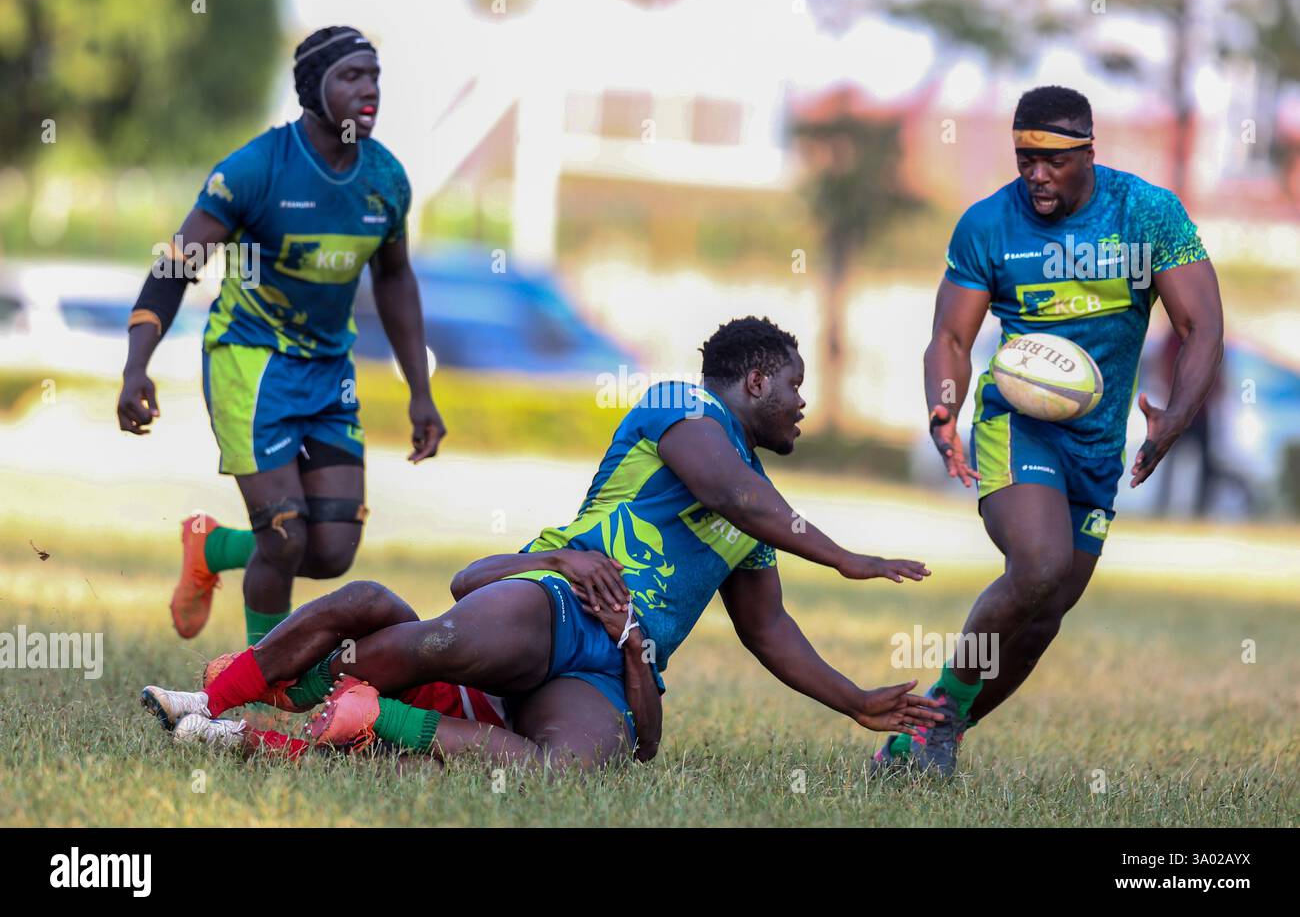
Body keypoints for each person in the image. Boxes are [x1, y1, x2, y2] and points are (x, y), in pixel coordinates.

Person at [144, 317, 945, 768]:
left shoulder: (758, 525)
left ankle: (355, 718)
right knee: (444, 638)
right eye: (797, 387)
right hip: (560, 600)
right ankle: (238, 698)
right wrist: (845, 557)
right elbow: (726, 490)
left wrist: (855, 702)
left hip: (612, 664)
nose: (804, 405)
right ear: (759, 382)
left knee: (565, 772)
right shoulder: (681, 405)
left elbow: (769, 630)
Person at [882, 86, 1224, 777]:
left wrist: (1176, 416)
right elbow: (950, 335)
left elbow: (1202, 325)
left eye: (1054, 159)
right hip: (1019, 428)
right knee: (1040, 565)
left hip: (1097, 447)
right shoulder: (988, 226)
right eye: (1025, 157)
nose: (1036, 172)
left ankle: (924, 738)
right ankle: (936, 722)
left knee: (1045, 615)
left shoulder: (1147, 215)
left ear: (1088, 153)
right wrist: (943, 411)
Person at [116, 27, 446, 647]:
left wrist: (420, 392)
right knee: (285, 535)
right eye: (351, 76)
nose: (369, 90)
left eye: (374, 76)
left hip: (328, 371)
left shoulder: (385, 180)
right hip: (251, 361)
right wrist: (137, 366)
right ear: (312, 88)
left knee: (332, 549)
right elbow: (174, 267)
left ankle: (210, 546)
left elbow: (396, 279)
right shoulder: (256, 169)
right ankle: (265, 678)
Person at [147, 548, 661, 766]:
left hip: (440, 722)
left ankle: (232, 732)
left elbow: (648, 743)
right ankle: (210, 700)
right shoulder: (563, 563)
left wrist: (633, 644)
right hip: (424, 670)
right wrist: (557, 559)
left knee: (389, 767)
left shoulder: (630, 645)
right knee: (366, 598)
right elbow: (465, 583)